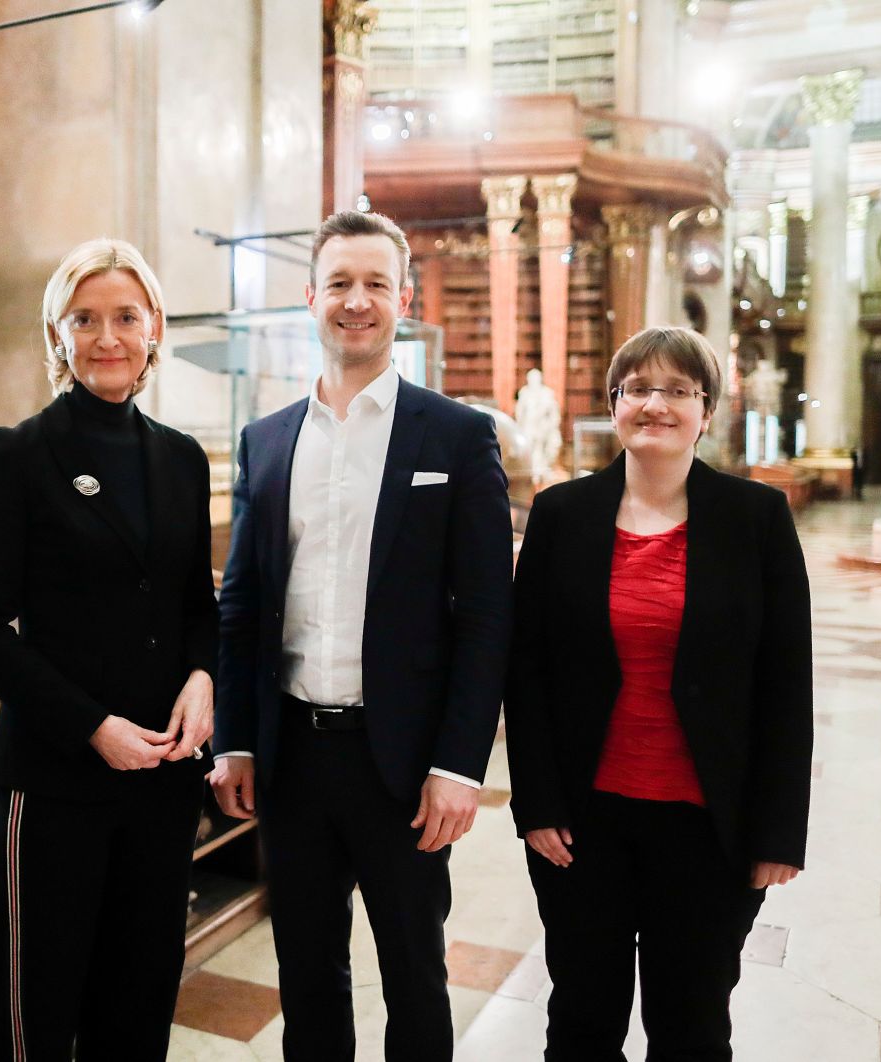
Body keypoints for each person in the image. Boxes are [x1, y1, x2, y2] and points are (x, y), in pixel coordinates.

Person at [211, 210, 514, 1061]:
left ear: (404, 300)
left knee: (415, 974)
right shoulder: (268, 441)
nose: (357, 300)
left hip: (406, 763)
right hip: (293, 757)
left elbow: (487, 615)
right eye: (339, 283)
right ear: (309, 297)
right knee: (307, 976)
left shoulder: (456, 435)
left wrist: (460, 765)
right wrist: (236, 740)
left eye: (376, 283)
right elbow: (242, 606)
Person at [505, 326, 813, 1062]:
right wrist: (537, 804)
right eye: (638, 388)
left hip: (709, 826)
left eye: (678, 390)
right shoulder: (561, 514)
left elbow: (786, 682)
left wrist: (778, 832)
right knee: (581, 1020)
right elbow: (527, 671)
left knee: (692, 1027)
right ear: (614, 403)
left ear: (707, 410)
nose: (656, 405)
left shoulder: (756, 518)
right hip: (583, 824)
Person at [0, 238, 217, 1062]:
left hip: (162, 783)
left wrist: (205, 676)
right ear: (57, 333)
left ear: (154, 328)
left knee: (138, 1008)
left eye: (126, 317)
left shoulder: (180, 458)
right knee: (38, 1016)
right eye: (85, 319)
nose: (108, 337)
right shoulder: (20, 453)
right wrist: (92, 727)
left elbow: (196, 605)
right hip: (56, 781)